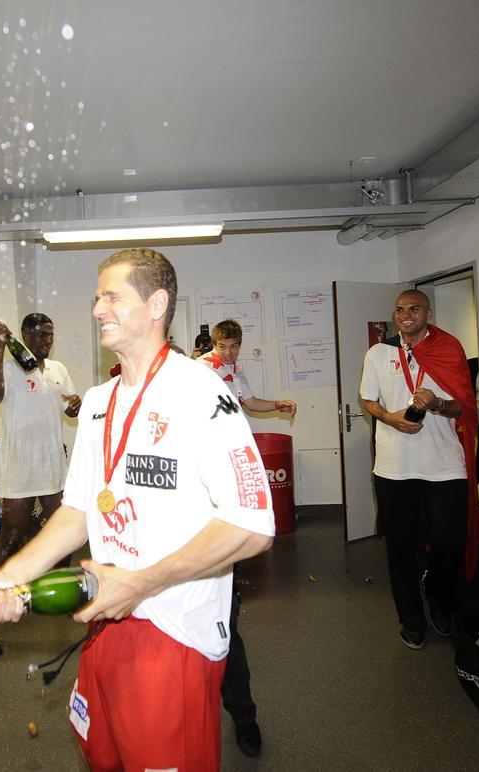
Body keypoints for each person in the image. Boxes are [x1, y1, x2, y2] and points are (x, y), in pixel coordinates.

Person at [0, 248, 275, 771]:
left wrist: (142, 582)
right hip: (105, 623)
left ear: (156, 305)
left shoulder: (200, 391)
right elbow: (78, 509)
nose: (97, 309)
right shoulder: (100, 402)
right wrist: (9, 575)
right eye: (96, 297)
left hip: (174, 633)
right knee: (103, 756)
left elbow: (253, 523)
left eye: (112, 296)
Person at [195, 318, 296, 757]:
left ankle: (244, 719)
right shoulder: (199, 372)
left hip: (231, 491)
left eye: (237, 346)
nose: (232, 353)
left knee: (227, 629)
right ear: (215, 344)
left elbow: (251, 402)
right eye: (227, 346)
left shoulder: (235, 372)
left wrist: (277, 404)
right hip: (201, 504)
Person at [359, 289, 478, 651]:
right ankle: (411, 620)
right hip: (395, 466)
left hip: (444, 464)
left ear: (428, 312)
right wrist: (391, 418)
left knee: (449, 540)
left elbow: (463, 408)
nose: (405, 315)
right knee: (399, 547)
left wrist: (437, 403)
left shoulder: (449, 349)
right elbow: (368, 400)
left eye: (413, 309)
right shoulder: (379, 353)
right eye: (399, 310)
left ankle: (440, 602)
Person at [0, 313, 81, 658]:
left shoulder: (57, 369)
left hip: (52, 464)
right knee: (12, 536)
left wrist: (76, 405)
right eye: (42, 335)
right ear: (25, 335)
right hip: (19, 465)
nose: (47, 341)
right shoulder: (12, 367)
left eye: (51, 335)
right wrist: (1, 347)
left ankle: (59, 596)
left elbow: (70, 411)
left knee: (63, 530)